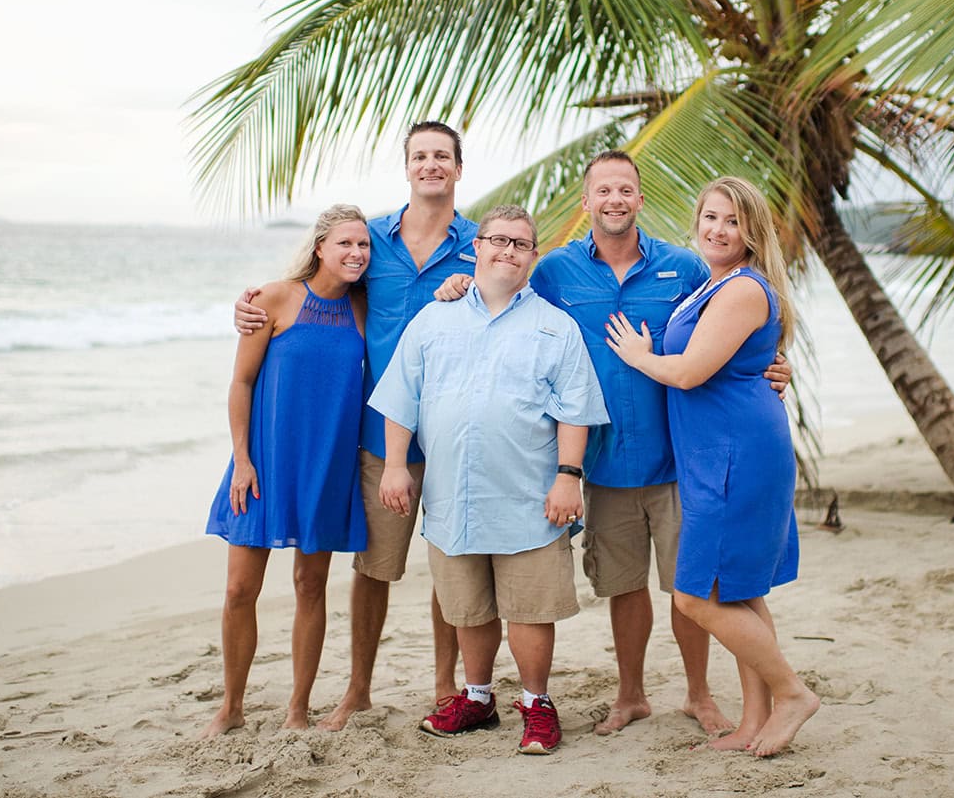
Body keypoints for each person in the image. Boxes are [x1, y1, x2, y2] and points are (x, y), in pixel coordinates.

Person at [434, 150, 791, 736]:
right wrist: (460, 282)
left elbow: (740, 327)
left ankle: (699, 695)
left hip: (682, 456)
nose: (615, 200)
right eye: (603, 190)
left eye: (625, 189)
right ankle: (631, 695)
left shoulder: (688, 267)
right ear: (587, 201)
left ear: (641, 199)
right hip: (600, 461)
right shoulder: (554, 271)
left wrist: (776, 368)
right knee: (624, 587)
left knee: (692, 588)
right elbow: (504, 296)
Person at [234, 120, 476, 730]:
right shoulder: (372, 241)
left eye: (441, 156)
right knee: (374, 569)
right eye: (420, 155)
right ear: (408, 166)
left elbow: (529, 293)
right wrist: (249, 306)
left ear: (457, 167)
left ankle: (446, 686)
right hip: (376, 437)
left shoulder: (482, 244)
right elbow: (320, 286)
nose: (430, 165)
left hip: (456, 431)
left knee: (450, 567)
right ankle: (358, 690)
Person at [371, 205, 609, 755]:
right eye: (498, 240)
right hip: (453, 497)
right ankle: (478, 699)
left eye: (521, 244)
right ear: (475, 248)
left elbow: (575, 410)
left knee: (530, 609)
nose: (508, 250)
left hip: (529, 496)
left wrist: (568, 478)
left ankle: (536, 704)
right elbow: (401, 399)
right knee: (468, 608)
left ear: (532, 256)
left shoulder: (556, 326)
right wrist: (395, 466)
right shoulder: (434, 319)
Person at [605, 176, 820, 757]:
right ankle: (753, 722)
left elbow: (689, 372)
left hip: (735, 455)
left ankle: (792, 693)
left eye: (732, 221)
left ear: (751, 232)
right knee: (741, 591)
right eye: (711, 217)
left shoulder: (744, 289)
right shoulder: (715, 284)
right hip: (716, 451)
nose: (719, 230)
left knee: (694, 595)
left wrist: (640, 356)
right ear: (696, 220)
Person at [201, 204, 371, 735]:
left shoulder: (367, 309)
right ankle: (230, 708)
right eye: (345, 243)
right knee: (238, 590)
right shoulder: (273, 299)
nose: (356, 254)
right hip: (265, 464)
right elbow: (241, 383)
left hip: (327, 464)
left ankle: (297, 709)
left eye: (364, 246)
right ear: (319, 246)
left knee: (310, 585)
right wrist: (242, 460)